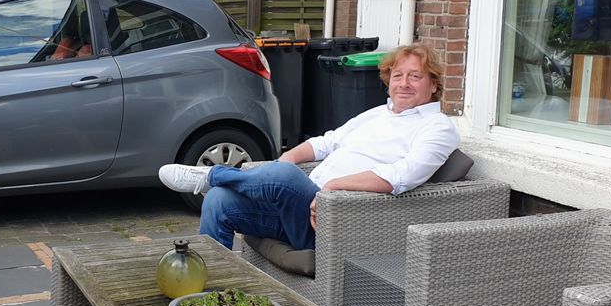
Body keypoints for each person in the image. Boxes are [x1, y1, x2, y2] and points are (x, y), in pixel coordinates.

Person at [158, 43, 460, 250]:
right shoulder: (377, 113)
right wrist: (287, 159)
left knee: (285, 178)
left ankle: (210, 176)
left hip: (339, 220)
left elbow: (403, 175)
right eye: (398, 76)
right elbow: (325, 143)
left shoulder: (438, 127)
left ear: (433, 84)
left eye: (415, 76)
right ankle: (209, 289)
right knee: (219, 202)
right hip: (301, 206)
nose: (404, 83)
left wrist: (333, 187)